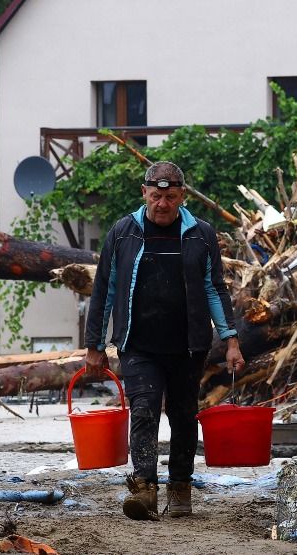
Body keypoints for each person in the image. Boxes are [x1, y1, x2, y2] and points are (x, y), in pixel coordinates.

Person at [84, 161, 245, 521]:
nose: (162, 204)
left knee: (185, 415)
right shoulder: (123, 232)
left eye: (170, 197)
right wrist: (94, 343)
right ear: (144, 193)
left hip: (189, 345)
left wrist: (231, 339)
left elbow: (214, 287)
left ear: (182, 197)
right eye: (156, 196)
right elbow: (104, 290)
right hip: (137, 343)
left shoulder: (201, 234)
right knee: (143, 409)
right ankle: (143, 489)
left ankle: (180, 487)